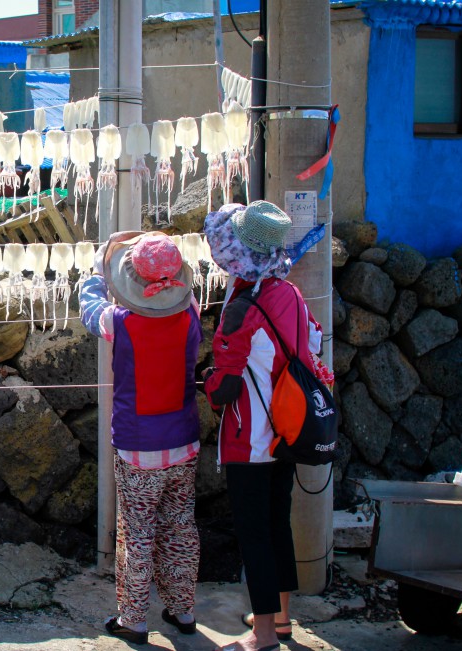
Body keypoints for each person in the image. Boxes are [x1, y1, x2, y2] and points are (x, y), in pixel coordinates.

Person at [202, 200, 324, 651]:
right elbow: (312, 340)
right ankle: (282, 617)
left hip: (251, 436)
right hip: (289, 429)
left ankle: (263, 634)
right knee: (278, 523)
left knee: (254, 530)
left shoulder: (242, 307)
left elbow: (224, 386)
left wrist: (208, 382)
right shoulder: (289, 293)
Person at [80, 231, 202, 646]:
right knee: (180, 524)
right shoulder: (192, 313)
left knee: (137, 530)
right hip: (184, 439)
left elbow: (89, 308)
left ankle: (133, 619)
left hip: (137, 446)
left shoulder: (120, 322)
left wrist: (97, 271)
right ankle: (182, 609)